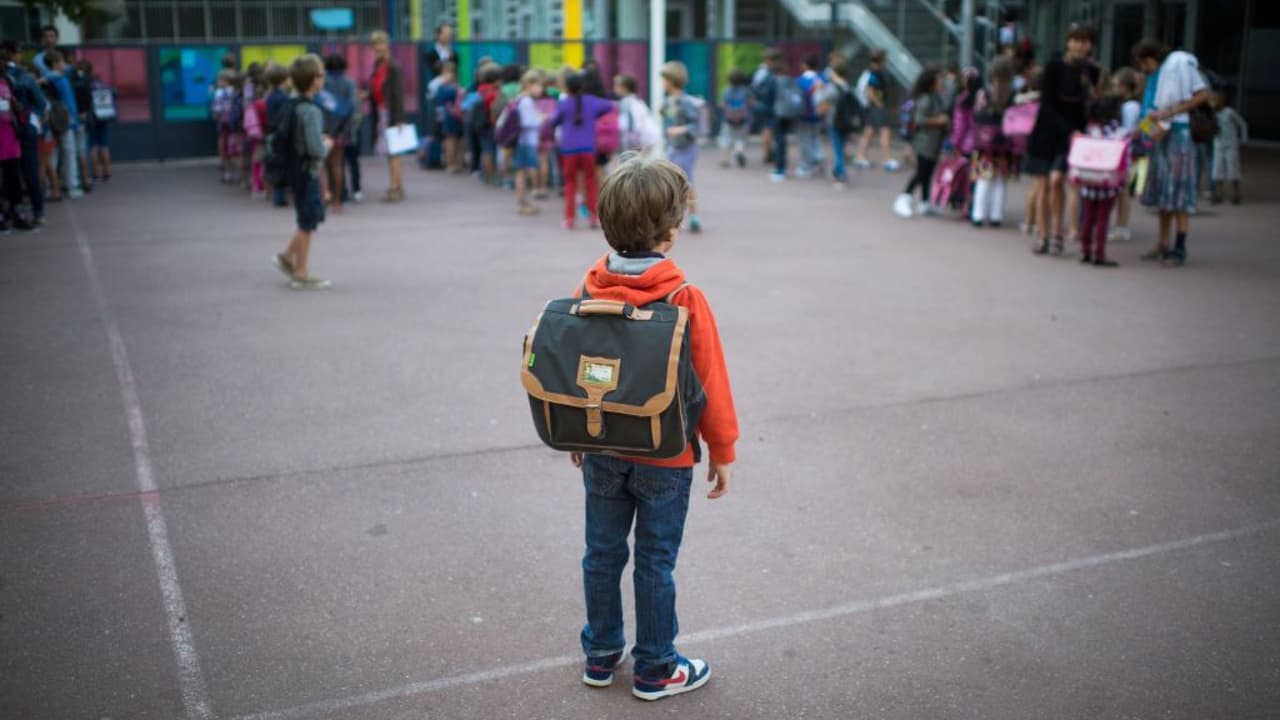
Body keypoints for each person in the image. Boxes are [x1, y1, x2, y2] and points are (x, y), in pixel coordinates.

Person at [572, 153, 737, 702]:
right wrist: (723, 449)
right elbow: (710, 379)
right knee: (654, 560)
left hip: (600, 440)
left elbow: (576, 364)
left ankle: (600, 653)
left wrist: (578, 432)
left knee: (601, 551)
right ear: (672, 230)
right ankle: (656, 666)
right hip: (665, 452)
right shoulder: (684, 296)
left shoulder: (591, 285)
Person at [1133, 39, 1211, 267]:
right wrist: (1143, 132)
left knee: (1178, 193)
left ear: (1151, 58)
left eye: (1143, 63)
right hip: (1163, 136)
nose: (1142, 69)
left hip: (1178, 136)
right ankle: (1162, 242)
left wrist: (1168, 113)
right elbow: (1152, 114)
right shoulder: (1156, 76)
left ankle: (1179, 247)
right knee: (1164, 194)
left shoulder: (1178, 65)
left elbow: (1201, 95)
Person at [1025, 24, 1100, 255]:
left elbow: (1091, 107)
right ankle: (1043, 235)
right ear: (1068, 42)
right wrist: (1069, 130)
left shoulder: (1092, 71)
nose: (1080, 45)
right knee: (1042, 185)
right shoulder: (1054, 66)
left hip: (1072, 137)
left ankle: (1058, 233)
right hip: (1047, 132)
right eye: (1076, 40)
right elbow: (1046, 105)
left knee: (1058, 180)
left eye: (1085, 41)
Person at [272, 54, 332, 290]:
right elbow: (315, 149)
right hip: (308, 170)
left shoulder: (291, 104)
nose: (323, 78)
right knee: (308, 220)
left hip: (293, 167)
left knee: (308, 217)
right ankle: (301, 271)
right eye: (321, 75)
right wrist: (326, 144)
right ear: (313, 80)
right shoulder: (311, 110)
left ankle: (287, 257)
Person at [548, 71, 613, 229]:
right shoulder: (591, 101)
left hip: (568, 149)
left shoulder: (563, 103)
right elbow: (610, 105)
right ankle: (593, 217)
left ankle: (570, 219)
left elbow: (553, 122)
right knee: (591, 182)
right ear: (582, 86)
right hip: (588, 149)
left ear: (566, 87)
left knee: (570, 183)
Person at [1073, 88, 1125, 267]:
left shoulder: (1089, 128)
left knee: (1088, 218)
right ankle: (1099, 253)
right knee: (1102, 219)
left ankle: (1085, 250)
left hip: (1088, 180)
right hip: (1107, 181)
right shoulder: (1115, 129)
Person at [2, 41, 47, 224]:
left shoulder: (22, 77)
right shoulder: (23, 76)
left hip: (15, 130)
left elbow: (41, 104)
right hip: (16, 130)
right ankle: (33, 212)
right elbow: (41, 104)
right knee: (25, 172)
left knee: (18, 173)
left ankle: (27, 211)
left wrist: (28, 117)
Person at [893, 68, 948, 218]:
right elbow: (920, 120)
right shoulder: (926, 99)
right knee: (922, 173)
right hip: (924, 142)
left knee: (928, 173)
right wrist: (939, 121)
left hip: (933, 142)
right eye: (939, 80)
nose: (942, 82)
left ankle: (925, 203)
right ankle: (904, 197)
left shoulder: (935, 97)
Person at [969, 58, 1016, 227]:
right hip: (1005, 143)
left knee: (983, 179)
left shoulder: (983, 92)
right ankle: (996, 216)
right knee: (1000, 180)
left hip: (984, 142)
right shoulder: (1012, 94)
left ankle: (978, 215)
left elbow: (976, 115)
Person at [659, 61, 703, 233]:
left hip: (686, 148)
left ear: (671, 80)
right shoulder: (667, 101)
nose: (662, 82)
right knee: (670, 182)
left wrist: (679, 130)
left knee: (687, 182)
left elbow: (695, 126)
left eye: (664, 79)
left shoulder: (687, 102)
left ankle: (694, 216)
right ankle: (671, 217)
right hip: (672, 147)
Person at [369, 30, 406, 202]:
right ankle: (396, 185)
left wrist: (399, 119)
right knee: (389, 152)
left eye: (380, 44)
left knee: (394, 152)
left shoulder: (392, 66)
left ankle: (395, 187)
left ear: (387, 45)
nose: (377, 48)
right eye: (375, 45)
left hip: (390, 113)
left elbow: (398, 93)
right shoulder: (377, 65)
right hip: (381, 111)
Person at [1109, 67, 1144, 242]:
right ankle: (1121, 225)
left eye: (1116, 86)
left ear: (1124, 86)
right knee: (1123, 191)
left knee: (1123, 192)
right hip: (1129, 154)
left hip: (1127, 154)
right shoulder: (1133, 105)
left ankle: (1122, 226)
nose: (1114, 89)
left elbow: (1128, 131)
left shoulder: (1130, 106)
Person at [322, 53, 357, 213]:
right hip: (341, 129)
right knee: (338, 165)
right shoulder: (349, 83)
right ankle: (338, 200)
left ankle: (326, 196)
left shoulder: (323, 83)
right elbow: (353, 106)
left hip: (324, 129)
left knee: (325, 164)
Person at [0, 69, 35, 232]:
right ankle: (5, 216)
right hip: (5, 139)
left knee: (13, 180)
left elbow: (16, 109)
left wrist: (18, 109)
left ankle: (17, 215)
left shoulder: (7, 83)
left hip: (10, 139)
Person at [45, 51, 82, 199]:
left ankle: (50, 186)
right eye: (61, 62)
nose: (64, 65)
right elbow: (69, 104)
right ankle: (71, 185)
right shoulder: (60, 80)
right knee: (69, 153)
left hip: (51, 122)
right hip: (66, 122)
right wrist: (75, 120)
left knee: (53, 155)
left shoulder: (47, 80)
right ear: (55, 64)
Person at [854, 49, 899, 171]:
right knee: (885, 131)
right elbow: (870, 91)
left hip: (871, 107)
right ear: (882, 59)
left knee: (869, 131)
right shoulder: (876, 73)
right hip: (877, 107)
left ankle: (860, 156)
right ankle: (887, 159)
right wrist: (879, 105)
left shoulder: (870, 71)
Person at [512, 70, 544, 215]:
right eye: (538, 86)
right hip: (527, 141)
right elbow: (527, 122)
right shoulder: (526, 101)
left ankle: (523, 201)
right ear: (528, 85)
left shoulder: (520, 99)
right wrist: (541, 119)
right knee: (524, 171)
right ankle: (522, 203)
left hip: (522, 141)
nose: (540, 89)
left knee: (521, 172)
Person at [824, 61, 858, 188]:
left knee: (837, 149)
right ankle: (837, 170)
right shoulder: (847, 86)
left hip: (835, 120)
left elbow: (823, 100)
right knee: (841, 147)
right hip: (846, 121)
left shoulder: (832, 87)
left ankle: (842, 174)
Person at [1210, 90, 1246, 205]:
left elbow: (1243, 124)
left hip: (1231, 144)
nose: (1213, 102)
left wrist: (1244, 140)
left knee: (1233, 169)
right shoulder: (1212, 114)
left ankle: (1236, 194)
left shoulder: (1229, 112)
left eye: (1215, 100)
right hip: (1218, 144)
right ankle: (1218, 194)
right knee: (1217, 169)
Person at [794, 54, 825, 178]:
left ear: (805, 65)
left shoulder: (800, 81)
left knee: (804, 140)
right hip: (820, 113)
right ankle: (819, 155)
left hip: (804, 115)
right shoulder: (823, 78)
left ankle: (808, 164)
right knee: (815, 137)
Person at [431, 61, 463, 173]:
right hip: (448, 117)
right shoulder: (443, 87)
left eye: (448, 73)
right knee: (449, 140)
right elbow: (440, 99)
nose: (445, 76)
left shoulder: (456, 85)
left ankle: (457, 162)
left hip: (457, 117)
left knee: (458, 141)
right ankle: (450, 163)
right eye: (444, 73)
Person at [750, 49, 780, 165]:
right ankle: (767, 154)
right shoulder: (765, 72)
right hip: (767, 104)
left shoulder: (760, 72)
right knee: (768, 129)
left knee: (766, 129)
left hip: (761, 104)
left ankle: (767, 153)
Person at [718, 68, 750, 168]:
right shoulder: (745, 90)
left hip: (728, 120)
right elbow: (750, 102)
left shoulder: (726, 91)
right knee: (740, 138)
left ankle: (724, 159)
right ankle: (739, 151)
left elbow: (722, 103)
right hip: (742, 119)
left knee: (726, 138)